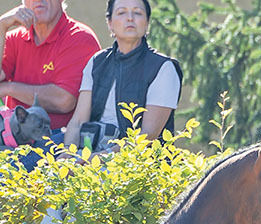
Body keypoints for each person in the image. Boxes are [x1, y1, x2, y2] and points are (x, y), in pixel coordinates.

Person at [0, 0, 101, 159]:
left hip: (57, 136)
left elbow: (64, 101)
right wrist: (1, 25)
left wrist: (9, 88)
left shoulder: (79, 37)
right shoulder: (15, 37)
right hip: (12, 136)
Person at [63, 0, 181, 151]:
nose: (130, 18)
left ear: (147, 24)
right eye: (121, 12)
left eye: (137, 13)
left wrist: (100, 159)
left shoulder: (164, 68)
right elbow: (78, 121)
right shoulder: (96, 62)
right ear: (110, 23)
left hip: (134, 163)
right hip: (89, 151)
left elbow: (148, 135)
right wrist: (68, 153)